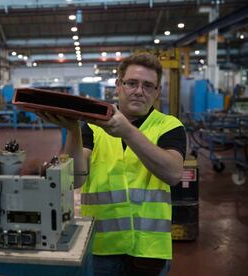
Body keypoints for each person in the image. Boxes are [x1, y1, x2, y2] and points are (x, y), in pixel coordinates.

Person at [37, 53, 186, 276]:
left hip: (149, 249)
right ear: (118, 85)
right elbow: (75, 180)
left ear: (157, 92)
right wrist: (73, 130)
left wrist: (127, 131)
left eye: (148, 86)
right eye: (132, 83)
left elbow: (173, 173)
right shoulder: (92, 127)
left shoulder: (169, 126)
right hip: (101, 246)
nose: (139, 91)